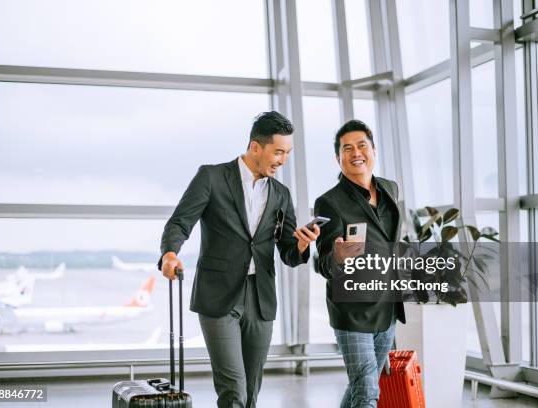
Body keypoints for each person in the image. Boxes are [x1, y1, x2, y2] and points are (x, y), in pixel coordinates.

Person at [158, 111, 320, 408]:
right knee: (234, 390)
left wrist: (300, 244)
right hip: (219, 295)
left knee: (251, 391)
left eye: (288, 153)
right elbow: (179, 223)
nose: (283, 159)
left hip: (260, 299)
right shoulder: (212, 177)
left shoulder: (280, 193)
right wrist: (170, 254)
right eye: (278, 151)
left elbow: (287, 250)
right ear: (255, 147)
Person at [314, 119, 406, 407]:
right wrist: (336, 257)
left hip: (386, 308)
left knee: (362, 385)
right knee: (367, 389)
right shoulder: (329, 202)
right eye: (347, 148)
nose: (356, 153)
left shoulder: (390, 189)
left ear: (374, 150)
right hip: (352, 312)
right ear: (338, 158)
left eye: (362, 145)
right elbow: (323, 264)